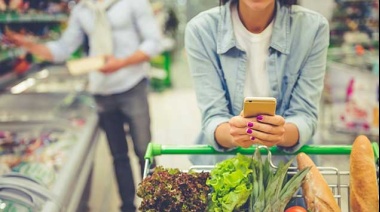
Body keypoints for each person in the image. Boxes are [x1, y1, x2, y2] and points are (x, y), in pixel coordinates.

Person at [6, 0, 162, 211]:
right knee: (118, 155)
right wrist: (27, 43)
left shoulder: (132, 3)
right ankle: (127, 205)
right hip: (102, 91)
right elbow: (63, 48)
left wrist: (122, 62)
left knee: (145, 151)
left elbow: (153, 42)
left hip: (132, 85)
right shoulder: (83, 10)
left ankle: (156, 203)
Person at [185, 0, 329, 165]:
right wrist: (233, 132)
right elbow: (213, 117)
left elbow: (305, 115)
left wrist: (280, 134)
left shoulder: (313, 28)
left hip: (289, 171)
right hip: (225, 168)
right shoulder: (201, 30)